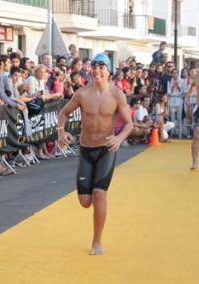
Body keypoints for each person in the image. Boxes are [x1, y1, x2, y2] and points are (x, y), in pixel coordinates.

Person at [57, 53, 133, 255]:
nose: (97, 71)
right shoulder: (82, 94)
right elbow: (63, 113)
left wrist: (119, 138)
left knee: (99, 195)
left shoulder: (117, 95)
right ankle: (95, 218)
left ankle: (97, 242)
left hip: (106, 149)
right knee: (84, 202)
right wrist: (61, 131)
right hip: (86, 149)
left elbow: (129, 124)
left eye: (102, 67)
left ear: (108, 71)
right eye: (94, 67)